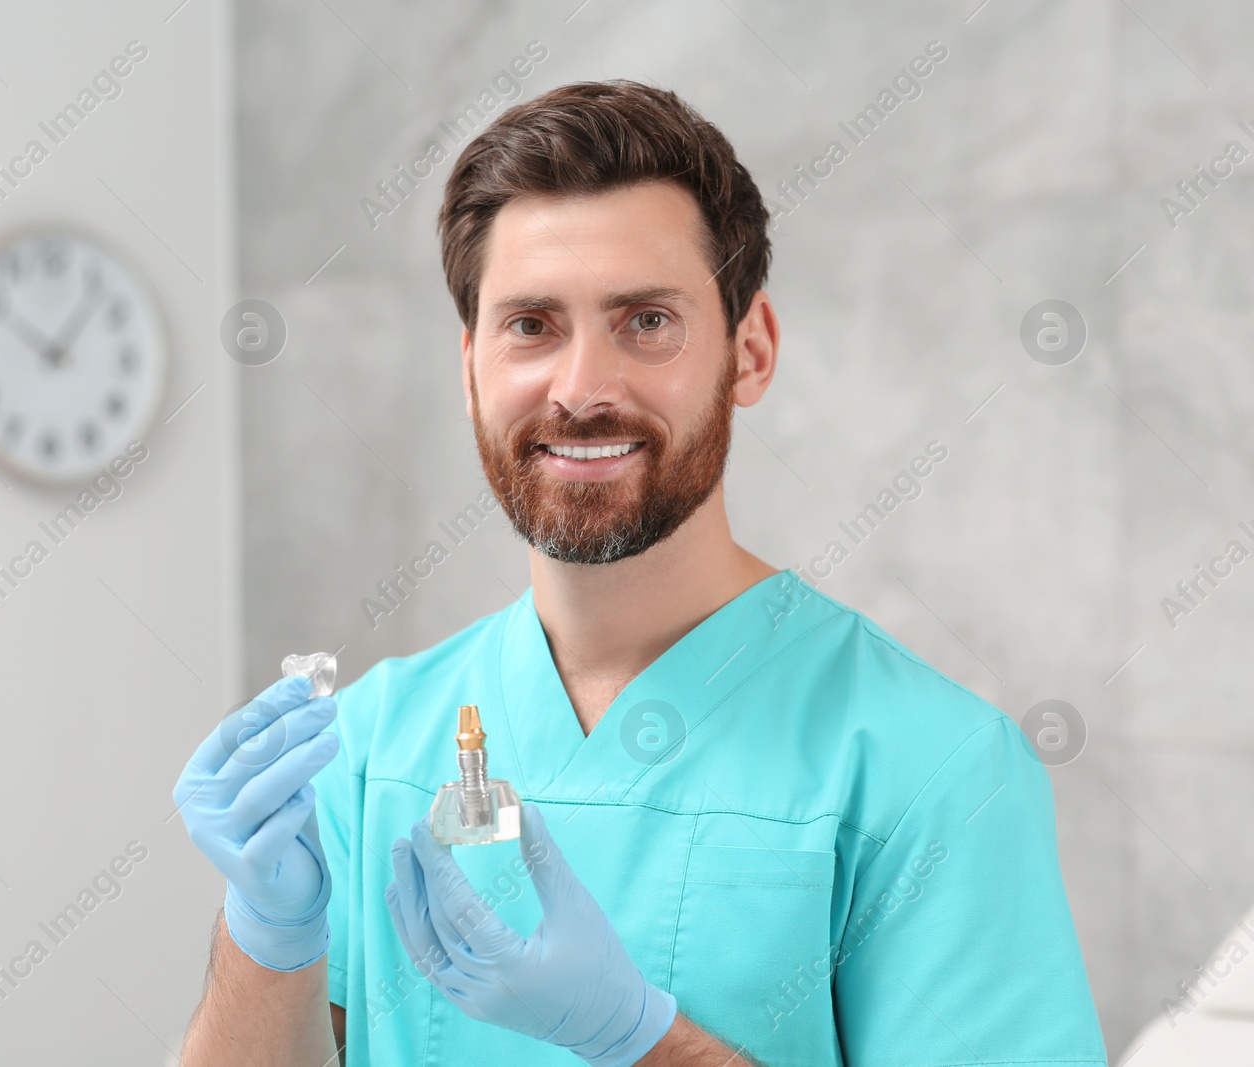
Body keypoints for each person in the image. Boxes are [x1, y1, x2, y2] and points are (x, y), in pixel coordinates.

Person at [172, 79, 1108, 1067]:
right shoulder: (367, 750)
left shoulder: (933, 771)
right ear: (469, 368)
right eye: (531, 324)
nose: (581, 390)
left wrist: (640, 1038)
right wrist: (264, 935)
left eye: (646, 320)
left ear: (748, 354)